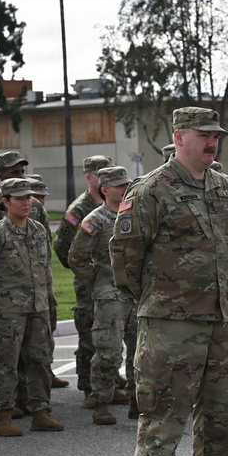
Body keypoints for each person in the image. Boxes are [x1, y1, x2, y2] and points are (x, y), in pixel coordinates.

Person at [111, 107, 228, 456]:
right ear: (179, 136)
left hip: (220, 318)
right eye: (203, 134)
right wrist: (158, 299)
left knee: (222, 410)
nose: (211, 141)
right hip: (172, 321)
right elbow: (124, 256)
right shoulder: (152, 188)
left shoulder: (222, 186)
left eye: (216, 135)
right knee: (164, 410)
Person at [0, 178, 62, 437]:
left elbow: (45, 268)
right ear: (5, 202)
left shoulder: (39, 230)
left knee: (40, 360)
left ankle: (40, 412)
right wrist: (2, 292)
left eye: (28, 197)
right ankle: (3, 415)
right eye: (20, 198)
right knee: (5, 363)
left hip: (38, 307)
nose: (26, 202)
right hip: (7, 311)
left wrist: (45, 300)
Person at [68, 166, 137, 426]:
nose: (124, 189)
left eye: (125, 184)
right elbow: (76, 256)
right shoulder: (95, 219)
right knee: (108, 351)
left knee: (139, 351)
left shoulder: (136, 214)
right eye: (118, 185)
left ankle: (136, 399)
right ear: (105, 190)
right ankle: (101, 402)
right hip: (109, 294)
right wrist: (96, 279)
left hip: (136, 292)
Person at [54, 155, 118, 408]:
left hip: (111, 285)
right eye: (99, 173)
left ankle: (109, 383)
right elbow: (62, 247)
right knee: (90, 337)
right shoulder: (79, 209)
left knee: (109, 337)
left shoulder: (115, 203)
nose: (104, 176)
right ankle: (89, 388)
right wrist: (87, 275)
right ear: (89, 178)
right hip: (89, 286)